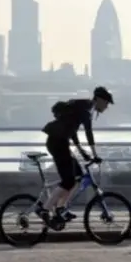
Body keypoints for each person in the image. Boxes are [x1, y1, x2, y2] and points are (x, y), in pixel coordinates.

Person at [38, 86, 114, 227]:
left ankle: (61, 209)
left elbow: (72, 131)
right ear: (98, 100)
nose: (107, 106)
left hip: (61, 142)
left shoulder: (82, 108)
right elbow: (88, 133)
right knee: (68, 182)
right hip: (57, 143)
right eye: (106, 102)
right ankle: (44, 209)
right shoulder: (86, 111)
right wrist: (95, 155)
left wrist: (81, 151)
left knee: (78, 176)